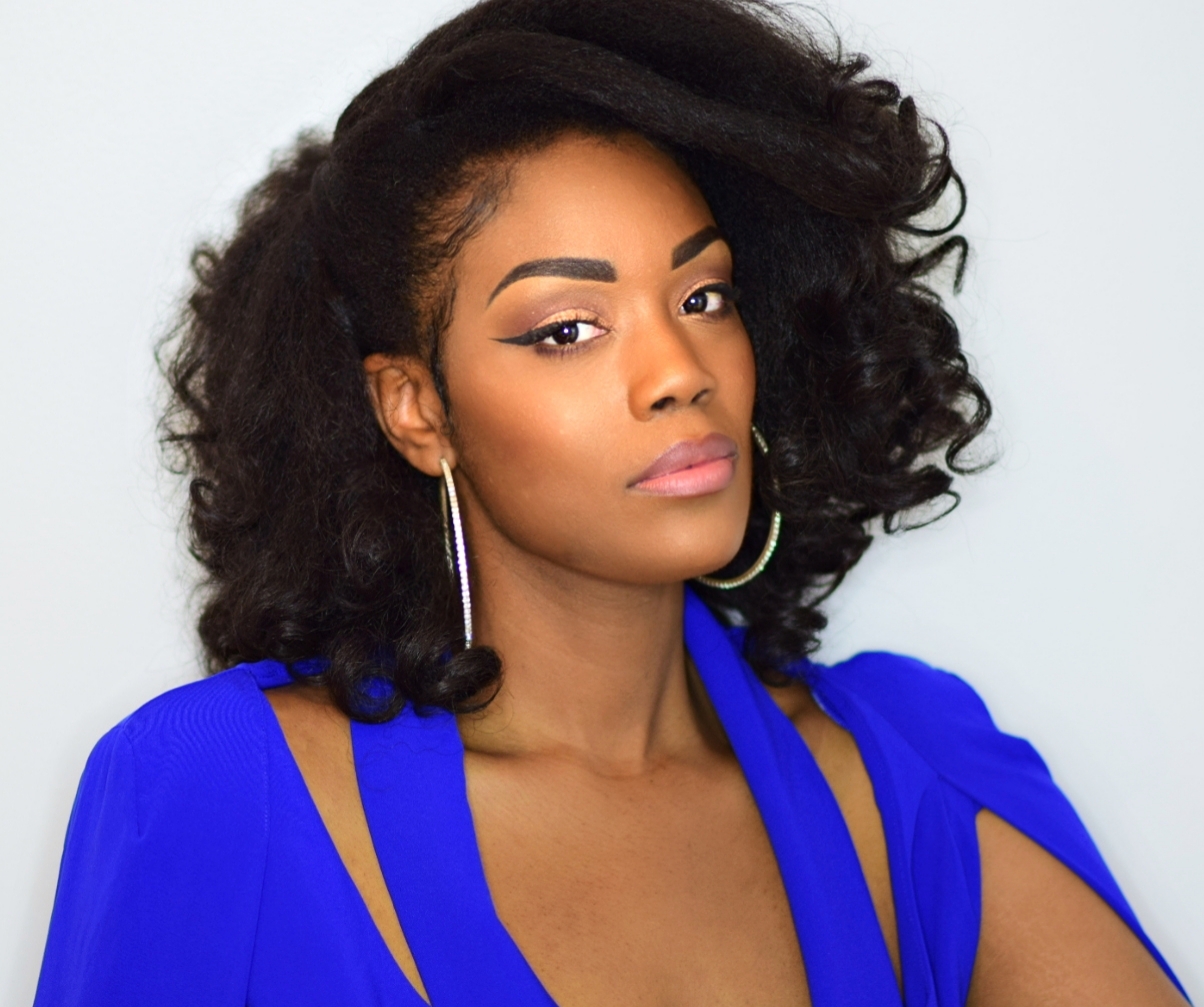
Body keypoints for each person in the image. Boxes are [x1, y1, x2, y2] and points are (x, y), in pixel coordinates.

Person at [32, 0, 1190, 1004]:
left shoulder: (908, 769)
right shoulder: (221, 787)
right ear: (416, 409)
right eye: (567, 329)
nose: (677, 371)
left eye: (702, 296)